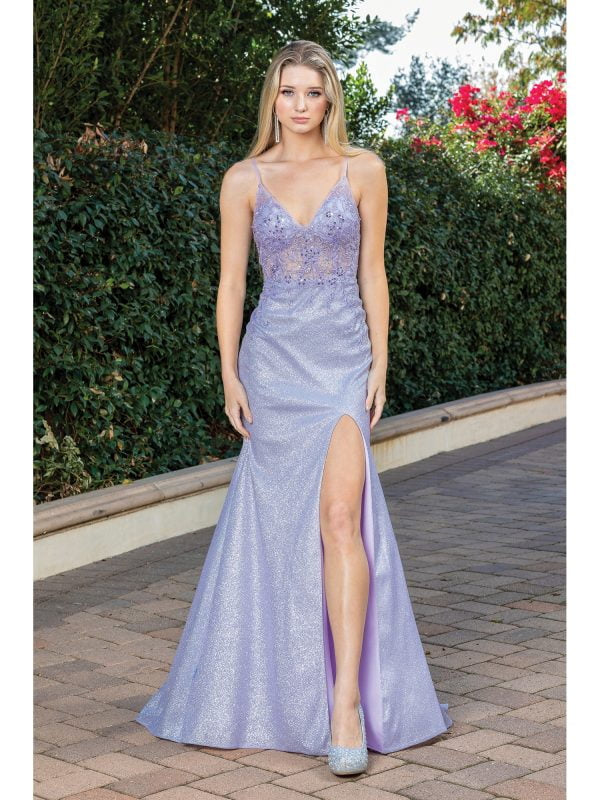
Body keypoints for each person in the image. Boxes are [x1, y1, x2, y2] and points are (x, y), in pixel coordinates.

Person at [136, 39, 452, 776]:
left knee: (341, 519)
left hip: (340, 361)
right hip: (273, 362)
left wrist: (380, 362)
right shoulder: (244, 178)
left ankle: (344, 703)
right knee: (281, 528)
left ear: (330, 99)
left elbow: (373, 272)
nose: (301, 104)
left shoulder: (363, 169)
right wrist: (228, 373)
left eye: (313, 92)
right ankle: (276, 685)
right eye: (289, 92)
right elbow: (231, 284)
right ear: (272, 100)